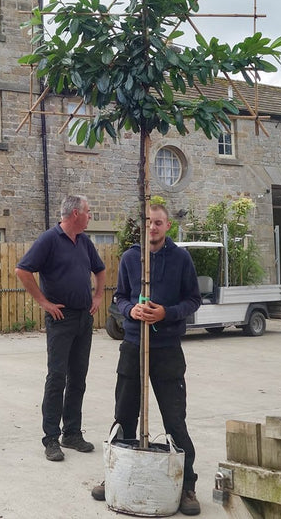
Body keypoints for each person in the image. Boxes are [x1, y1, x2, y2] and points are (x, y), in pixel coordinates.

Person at [91, 204, 202, 515]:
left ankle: (187, 484)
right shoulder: (130, 258)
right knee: (123, 417)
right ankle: (114, 474)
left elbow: (194, 299)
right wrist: (131, 311)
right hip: (133, 346)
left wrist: (167, 312)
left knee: (175, 421)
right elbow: (120, 298)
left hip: (167, 348)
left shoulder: (181, 258)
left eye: (158, 222)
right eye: (148, 223)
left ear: (167, 226)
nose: (152, 228)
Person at [15, 194, 106, 462]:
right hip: (61, 319)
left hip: (83, 319)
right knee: (57, 378)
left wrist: (99, 296)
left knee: (78, 377)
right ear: (75, 213)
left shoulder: (85, 242)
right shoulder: (49, 240)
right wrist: (43, 302)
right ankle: (51, 439)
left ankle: (72, 434)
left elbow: (100, 270)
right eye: (88, 212)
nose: (91, 216)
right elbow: (22, 270)